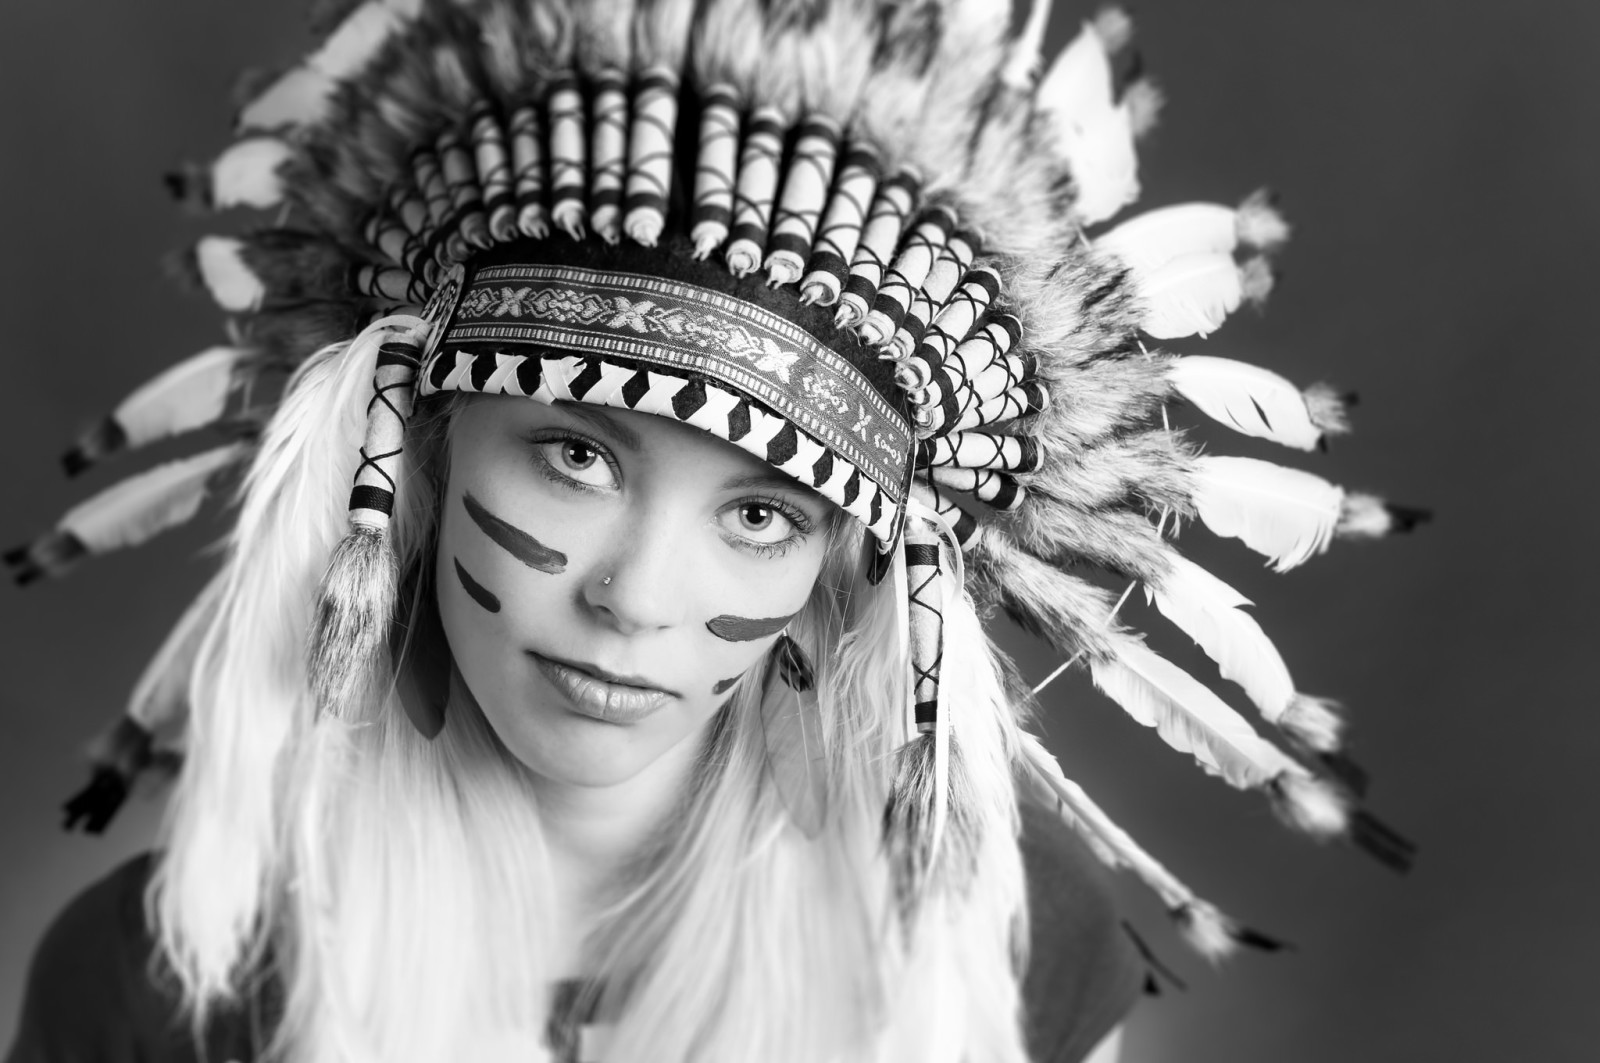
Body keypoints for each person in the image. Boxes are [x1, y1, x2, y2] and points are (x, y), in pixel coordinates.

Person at [4, 1, 1421, 1061]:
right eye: (575, 455)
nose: (635, 598)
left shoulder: (1001, 956)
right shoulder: (158, 984)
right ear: (418, 456)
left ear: (840, 573)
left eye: (758, 512)